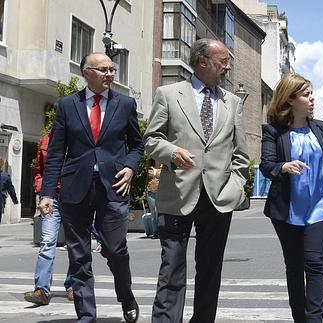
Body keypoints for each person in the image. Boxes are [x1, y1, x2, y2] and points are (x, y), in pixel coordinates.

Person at [144, 38, 249, 323]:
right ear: (202, 62)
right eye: (223, 61)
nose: (227, 67)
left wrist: (236, 187)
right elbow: (151, 139)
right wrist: (171, 151)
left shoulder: (233, 102)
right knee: (172, 269)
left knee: (210, 271)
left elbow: (240, 154)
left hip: (219, 198)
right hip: (177, 194)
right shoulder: (168, 94)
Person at [38, 52, 143, 323]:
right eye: (103, 69)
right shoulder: (66, 105)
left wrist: (131, 167)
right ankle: (86, 315)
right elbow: (57, 151)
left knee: (116, 249)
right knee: (79, 254)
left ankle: (126, 296)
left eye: (112, 69)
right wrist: (47, 192)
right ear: (86, 72)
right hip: (75, 188)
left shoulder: (125, 104)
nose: (110, 74)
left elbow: (138, 145)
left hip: (113, 187)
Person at [260, 73, 323, 323]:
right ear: (290, 100)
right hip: (287, 211)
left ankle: (314, 320)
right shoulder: (273, 131)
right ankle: (300, 318)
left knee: (314, 263)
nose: (312, 99)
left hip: (320, 208)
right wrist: (283, 167)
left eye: (311, 94)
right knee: (295, 267)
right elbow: (267, 165)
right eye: (306, 95)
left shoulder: (319, 128)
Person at [24, 133, 74, 305]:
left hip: (75, 197)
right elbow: (39, 170)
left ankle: (74, 285)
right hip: (51, 198)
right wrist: (41, 190)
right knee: (47, 242)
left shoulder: (78, 135)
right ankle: (42, 290)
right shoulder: (46, 140)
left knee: (75, 243)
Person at [144, 158, 162, 238]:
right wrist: (145, 191)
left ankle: (161, 230)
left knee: (158, 211)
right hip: (150, 192)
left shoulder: (163, 167)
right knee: (153, 213)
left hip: (160, 192)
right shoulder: (149, 168)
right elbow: (147, 180)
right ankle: (155, 232)